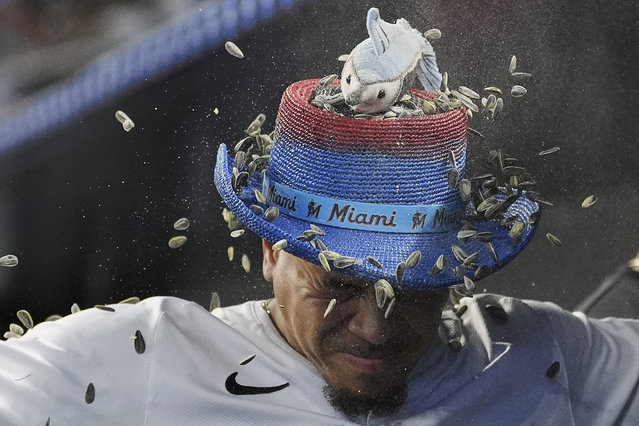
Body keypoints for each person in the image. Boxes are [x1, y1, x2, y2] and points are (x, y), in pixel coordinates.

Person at [1, 73, 639, 425]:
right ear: (272, 253)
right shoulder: (140, 357)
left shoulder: (539, 355)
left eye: (413, 290)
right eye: (339, 285)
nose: (376, 328)